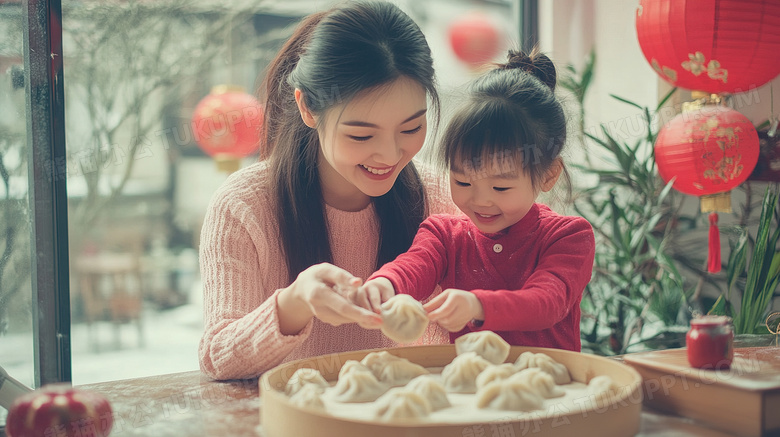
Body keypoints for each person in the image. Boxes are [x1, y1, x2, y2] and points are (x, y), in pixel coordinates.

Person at [198, 1, 457, 380]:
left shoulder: (440, 197)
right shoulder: (245, 205)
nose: (389, 154)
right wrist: (295, 301)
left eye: (411, 128)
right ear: (307, 108)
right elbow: (216, 357)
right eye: (361, 134)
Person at [357, 48, 596, 352]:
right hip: (472, 394)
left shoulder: (568, 236)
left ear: (548, 175)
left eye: (500, 188)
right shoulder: (444, 235)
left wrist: (477, 305)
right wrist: (385, 285)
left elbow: (546, 302)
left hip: (553, 391)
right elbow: (414, 266)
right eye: (463, 181)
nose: (480, 201)